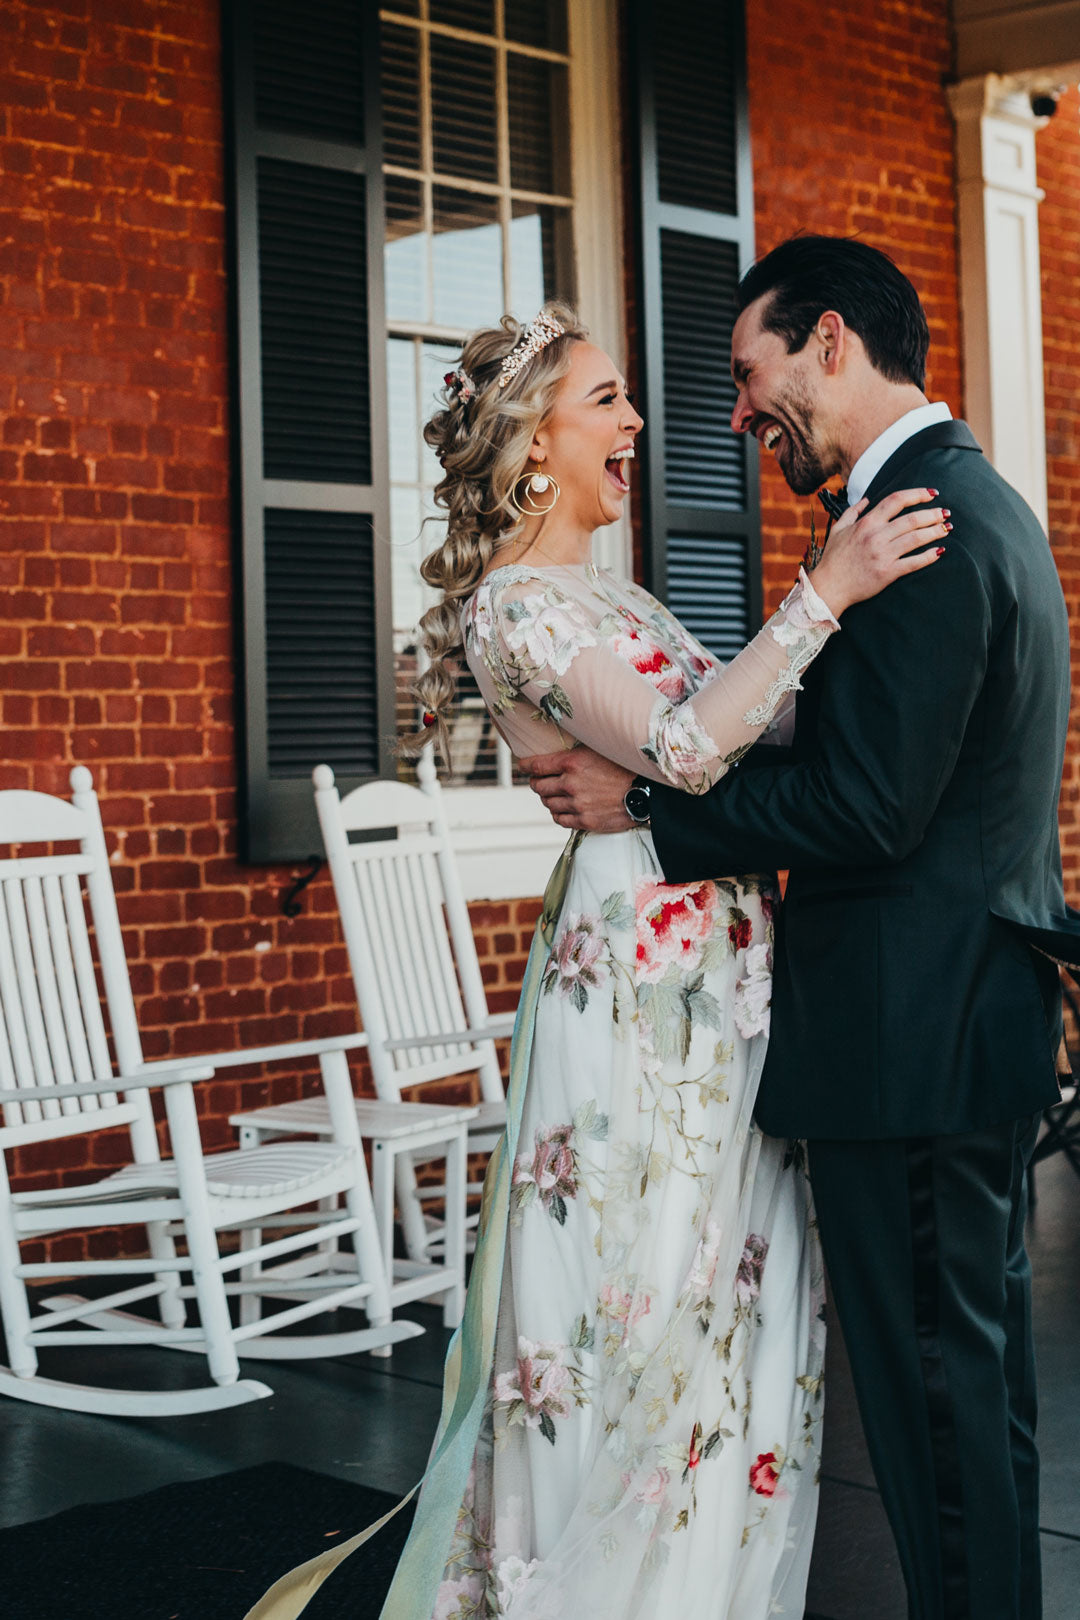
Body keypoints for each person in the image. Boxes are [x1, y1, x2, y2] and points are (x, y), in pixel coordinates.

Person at [243, 302, 946, 1620]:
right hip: (636, 990)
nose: (638, 423)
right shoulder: (510, 611)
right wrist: (828, 591)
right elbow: (688, 749)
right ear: (532, 444)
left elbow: (751, 725)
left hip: (728, 978)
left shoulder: (616, 595)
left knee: (734, 1299)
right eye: (609, 401)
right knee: (632, 1302)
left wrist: (877, 667)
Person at [524, 238, 1079, 1620]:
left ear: (831, 341)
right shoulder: (956, 502)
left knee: (940, 1420)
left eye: (746, 373)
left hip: (912, 1040)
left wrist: (647, 814)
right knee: (974, 1406)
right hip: (959, 1027)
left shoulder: (928, 524)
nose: (732, 413)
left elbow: (869, 805)